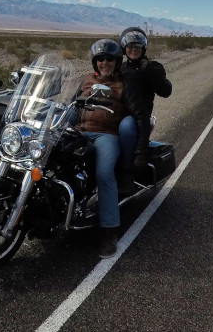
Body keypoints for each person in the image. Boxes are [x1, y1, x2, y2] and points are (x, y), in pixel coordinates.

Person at [73, 38, 135, 259]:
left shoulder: (123, 83)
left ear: (117, 61)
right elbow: (70, 101)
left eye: (109, 59)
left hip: (106, 135)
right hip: (79, 130)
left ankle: (109, 232)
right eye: (100, 59)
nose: (104, 63)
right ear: (94, 62)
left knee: (104, 174)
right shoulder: (87, 79)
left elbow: (136, 109)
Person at [118, 27, 172, 177]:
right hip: (117, 113)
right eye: (130, 45)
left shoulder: (154, 67)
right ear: (124, 48)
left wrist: (152, 73)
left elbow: (166, 91)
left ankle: (126, 173)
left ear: (144, 47)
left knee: (127, 127)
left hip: (138, 119)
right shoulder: (119, 68)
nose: (134, 49)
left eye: (138, 45)